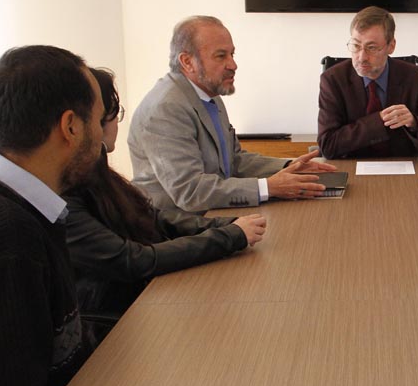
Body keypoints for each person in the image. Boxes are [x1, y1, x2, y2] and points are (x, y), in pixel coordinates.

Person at [65, 69, 268, 345]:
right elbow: (134, 259)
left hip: (146, 291)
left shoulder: (96, 170)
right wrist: (228, 236)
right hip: (123, 321)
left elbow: (152, 217)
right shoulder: (68, 193)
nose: (232, 65)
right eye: (113, 113)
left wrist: (224, 225)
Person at [0, 45, 103, 386]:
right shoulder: (9, 238)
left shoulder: (27, 206)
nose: (102, 134)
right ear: (71, 126)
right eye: (99, 119)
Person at [129, 15, 336, 213]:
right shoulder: (165, 109)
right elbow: (190, 192)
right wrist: (268, 187)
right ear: (187, 61)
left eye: (232, 55)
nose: (233, 65)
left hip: (214, 213)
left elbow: (234, 160)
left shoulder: (209, 95)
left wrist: (290, 166)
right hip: (178, 226)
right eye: (221, 56)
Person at [317, 6, 418, 158]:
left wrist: (415, 124)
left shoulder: (417, 79)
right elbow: (328, 146)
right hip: (352, 167)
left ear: (391, 46)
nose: (361, 57)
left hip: (403, 167)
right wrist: (378, 121)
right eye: (356, 46)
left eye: (371, 48)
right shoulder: (333, 80)